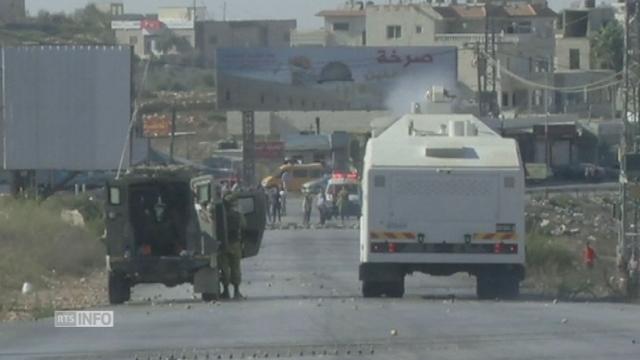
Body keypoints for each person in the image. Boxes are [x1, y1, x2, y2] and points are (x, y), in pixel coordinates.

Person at [218, 194, 246, 300]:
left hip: (223, 245)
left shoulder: (220, 216)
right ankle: (236, 291)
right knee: (235, 267)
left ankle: (225, 291)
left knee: (224, 268)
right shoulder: (237, 215)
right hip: (235, 244)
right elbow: (244, 225)